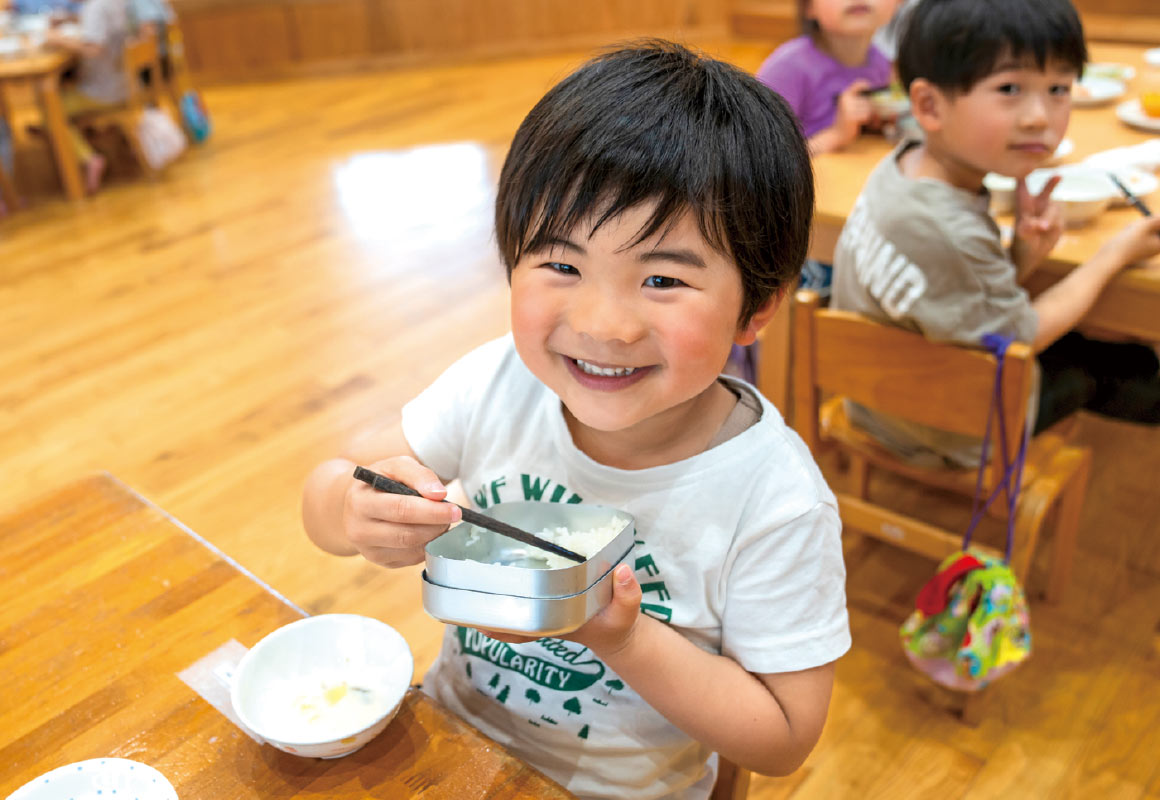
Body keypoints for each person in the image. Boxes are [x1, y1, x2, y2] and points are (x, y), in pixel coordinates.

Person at [302, 40, 849, 800]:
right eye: (562, 265)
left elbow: (784, 737)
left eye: (661, 278)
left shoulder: (774, 499)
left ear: (755, 310)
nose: (603, 324)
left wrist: (619, 633)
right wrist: (355, 511)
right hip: (453, 742)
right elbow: (325, 493)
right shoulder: (497, 381)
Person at [831, 0, 1160, 468]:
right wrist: (1114, 254)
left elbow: (954, 294)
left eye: (1058, 89)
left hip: (875, 401)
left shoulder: (903, 167)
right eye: (1010, 88)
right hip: (947, 429)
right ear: (928, 105)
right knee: (1115, 365)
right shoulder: (949, 230)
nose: (1039, 118)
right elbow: (1021, 336)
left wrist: (1023, 253)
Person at [755, 0, 901, 157]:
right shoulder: (787, 68)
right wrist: (836, 135)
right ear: (809, 7)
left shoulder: (882, 63)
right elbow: (760, 160)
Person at [43, 0, 133, 193]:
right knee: (58, 92)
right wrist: (73, 18)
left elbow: (94, 49)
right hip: (126, 85)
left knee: (50, 109)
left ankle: (88, 159)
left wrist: (58, 40)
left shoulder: (96, 7)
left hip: (103, 93)